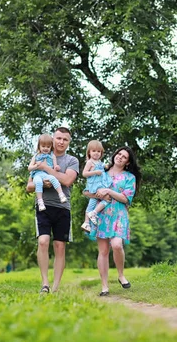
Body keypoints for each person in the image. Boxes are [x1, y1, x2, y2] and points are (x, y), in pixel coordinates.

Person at [26, 127, 79, 293]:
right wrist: (42, 183)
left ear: (69, 143)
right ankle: (45, 284)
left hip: (63, 207)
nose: (61, 142)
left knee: (59, 246)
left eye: (65, 139)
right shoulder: (39, 156)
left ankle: (55, 288)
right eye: (58, 138)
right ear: (53, 139)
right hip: (43, 205)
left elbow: (67, 180)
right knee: (42, 242)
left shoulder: (72, 161)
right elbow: (29, 186)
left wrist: (47, 170)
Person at [85, 146, 141, 296]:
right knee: (103, 251)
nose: (120, 157)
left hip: (119, 215)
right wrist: (96, 194)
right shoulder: (101, 172)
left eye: (124, 156)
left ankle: (121, 275)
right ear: (114, 155)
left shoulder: (130, 178)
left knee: (116, 244)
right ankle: (104, 287)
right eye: (119, 154)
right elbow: (89, 190)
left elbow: (126, 198)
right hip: (101, 214)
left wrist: (109, 191)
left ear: (127, 162)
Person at [28, 134, 68, 211]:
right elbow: (29, 168)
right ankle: (40, 201)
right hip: (37, 174)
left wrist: (56, 167)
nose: (45, 148)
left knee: (53, 178)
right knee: (38, 183)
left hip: (46, 174)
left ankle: (61, 194)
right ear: (39, 146)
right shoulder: (36, 156)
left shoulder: (52, 156)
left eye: (48, 147)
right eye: (43, 146)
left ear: (51, 147)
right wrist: (36, 166)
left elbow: (55, 165)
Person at [80, 140, 113, 233]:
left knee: (92, 202)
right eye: (94, 151)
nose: (96, 153)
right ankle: (93, 214)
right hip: (94, 185)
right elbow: (84, 173)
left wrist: (105, 167)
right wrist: (95, 172)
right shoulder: (90, 162)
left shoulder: (99, 162)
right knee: (106, 200)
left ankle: (86, 222)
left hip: (101, 184)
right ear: (89, 152)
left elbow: (103, 168)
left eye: (99, 151)